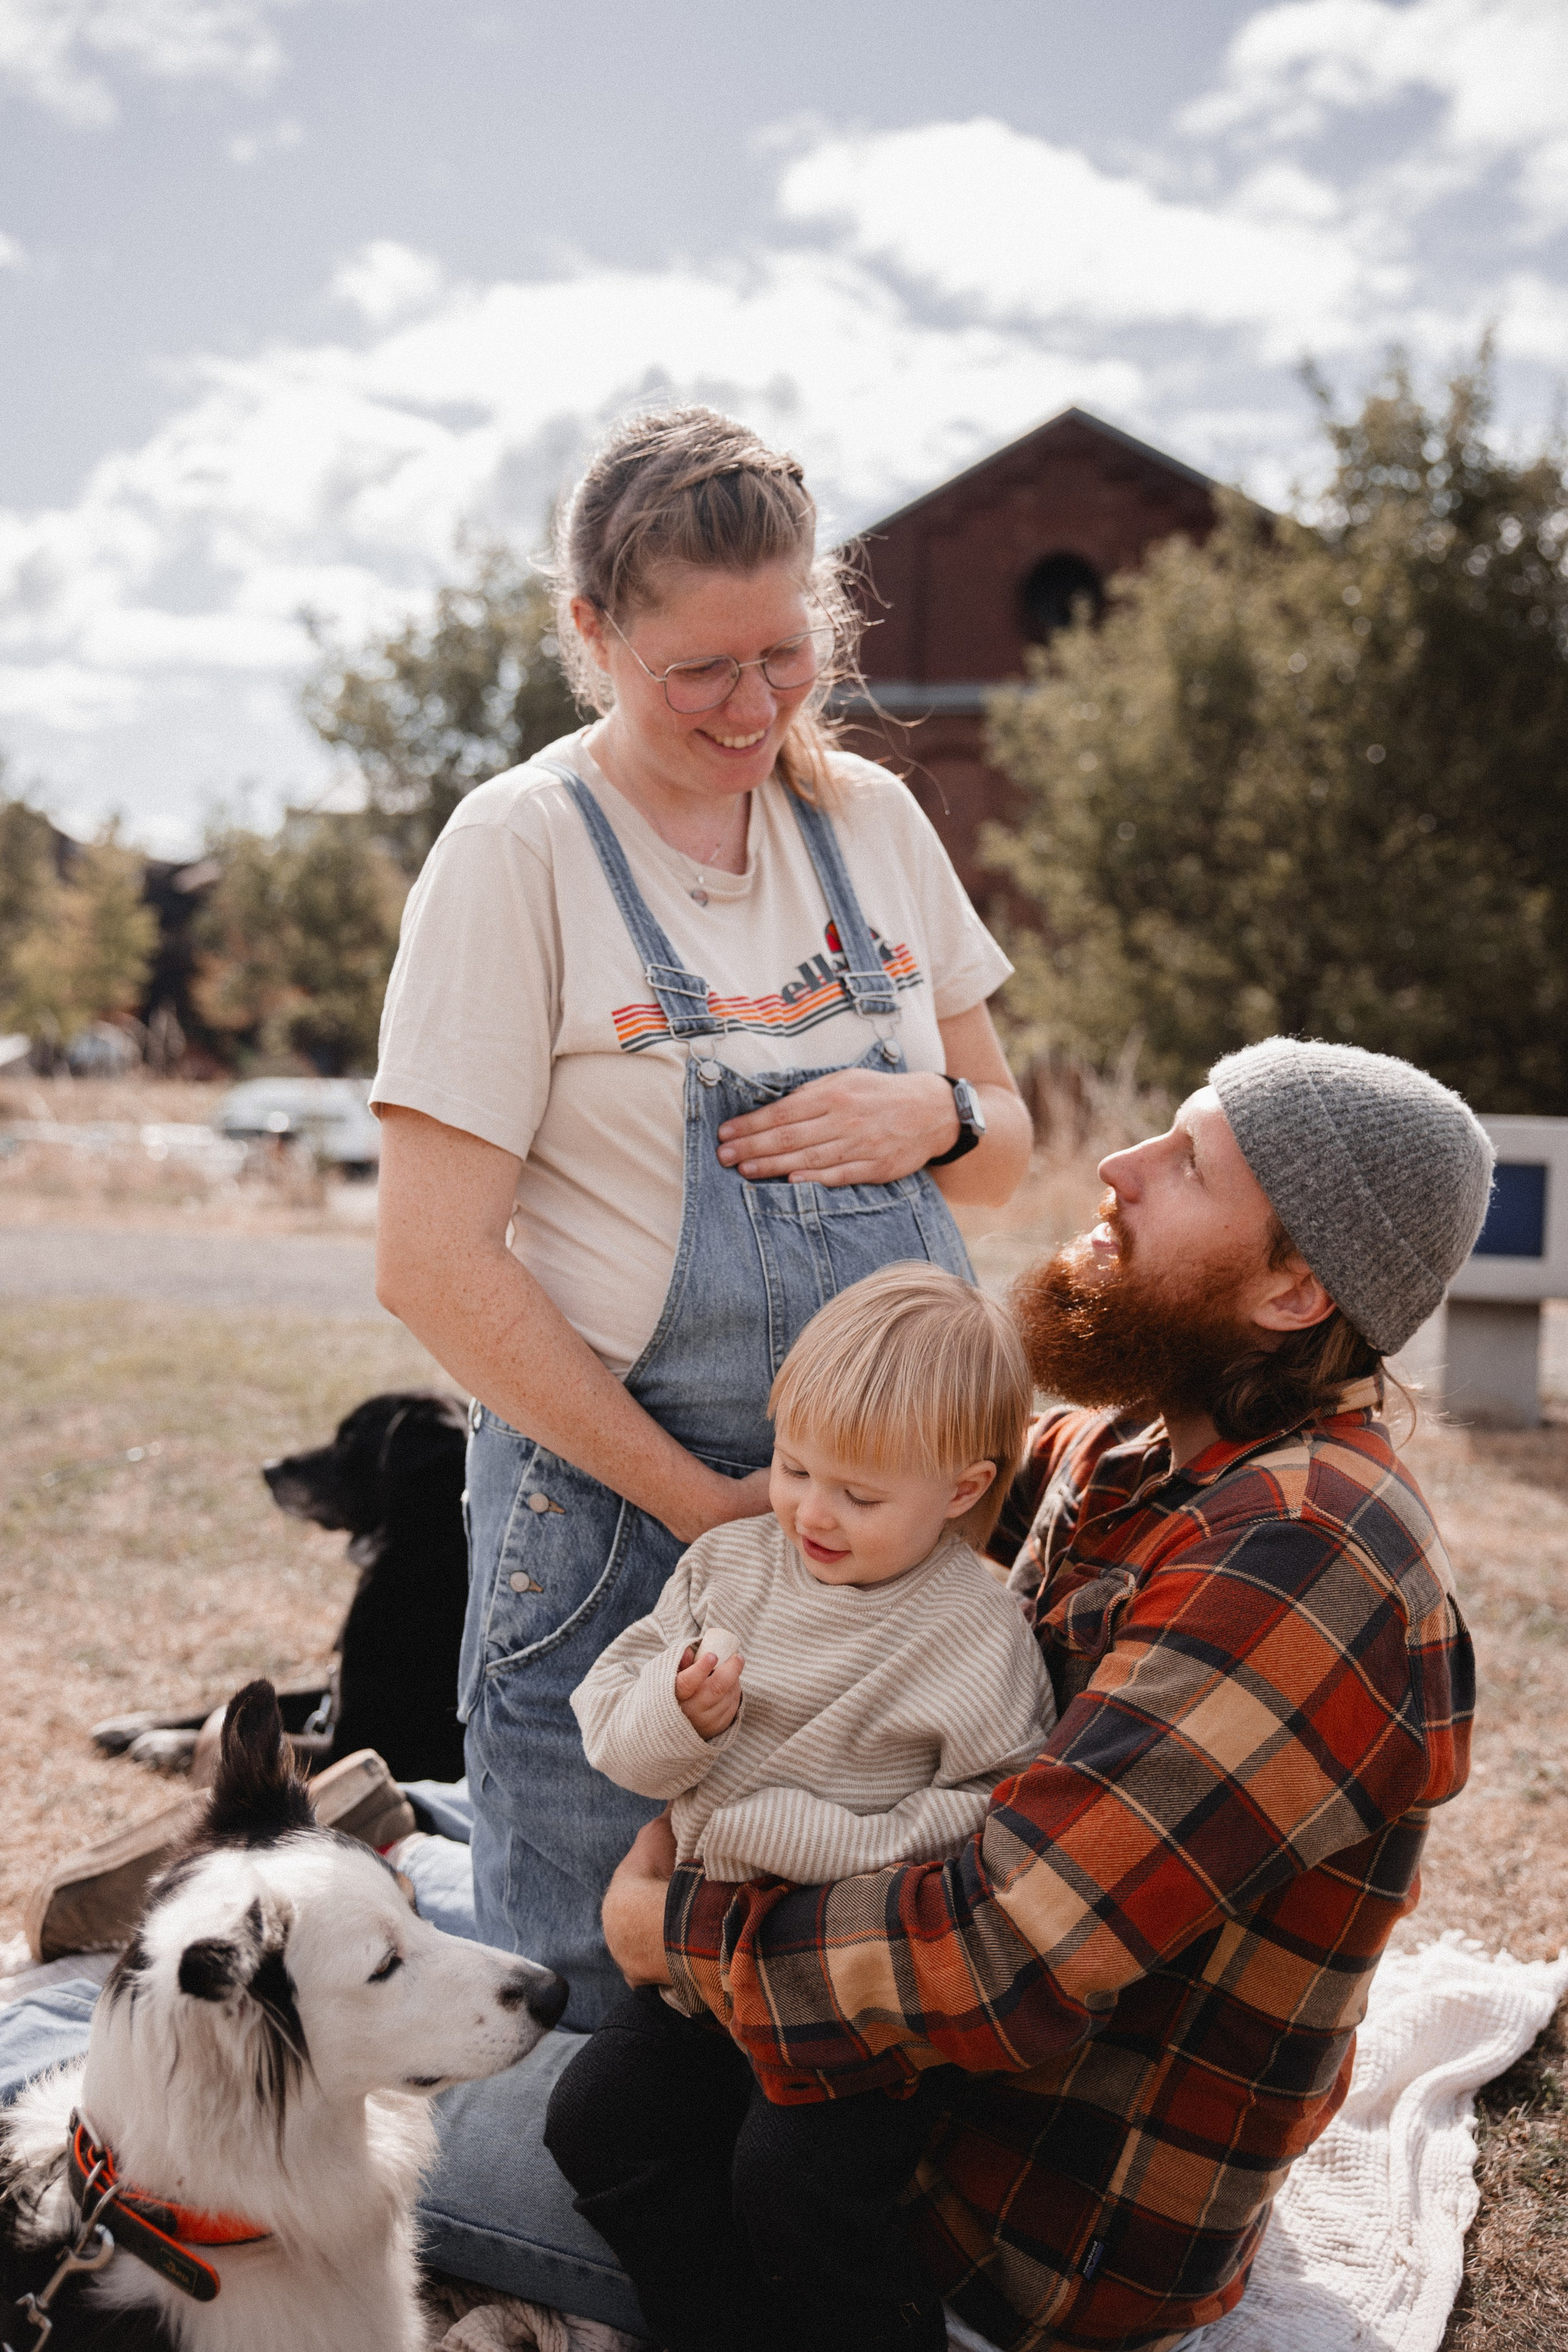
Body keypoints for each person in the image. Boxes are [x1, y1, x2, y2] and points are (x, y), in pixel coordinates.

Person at [598, 1039, 1491, 2352]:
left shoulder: (1305, 1555)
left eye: (1187, 1162)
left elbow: (999, 1948)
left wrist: (669, 1930)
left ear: (1294, 1287)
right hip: (884, 2095)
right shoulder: (1133, 1445)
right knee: (564, 2114)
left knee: (421, 2161)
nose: (1115, 1168)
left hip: (1005, 2225)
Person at [546, 1265, 1055, 2352]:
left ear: (963, 1491)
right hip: (701, 1967)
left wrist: (822, 1840)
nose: (811, 1512)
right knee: (599, 2123)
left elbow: (993, 1814)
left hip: (848, 1990)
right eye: (793, 1467)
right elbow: (613, 1734)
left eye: (861, 1496)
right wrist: (680, 1714)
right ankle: (719, 2327)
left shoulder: (974, 1634)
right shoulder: (732, 1567)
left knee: (794, 2185)